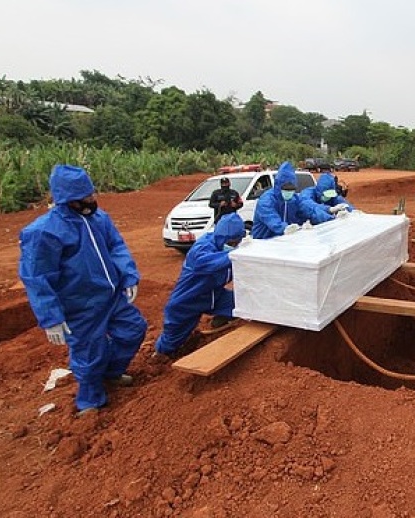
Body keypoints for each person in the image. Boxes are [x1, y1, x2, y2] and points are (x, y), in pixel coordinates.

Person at [18, 164, 147, 416]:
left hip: (111, 297)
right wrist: (51, 318)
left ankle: (111, 373)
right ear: (68, 199)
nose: (91, 199)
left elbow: (116, 247)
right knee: (89, 354)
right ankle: (89, 401)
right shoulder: (44, 232)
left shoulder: (99, 219)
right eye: (85, 196)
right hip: (80, 306)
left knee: (133, 330)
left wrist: (128, 276)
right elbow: (37, 277)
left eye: (91, 193)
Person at [154, 213, 246, 360]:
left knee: (244, 304)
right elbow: (207, 263)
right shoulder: (202, 248)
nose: (234, 245)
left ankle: (220, 321)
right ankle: (160, 356)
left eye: (237, 242)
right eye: (232, 242)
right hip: (188, 300)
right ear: (221, 237)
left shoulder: (229, 248)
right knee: (172, 339)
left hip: (214, 295)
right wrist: (234, 254)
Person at [250, 161, 313, 239]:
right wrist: (285, 228)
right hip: (263, 241)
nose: (289, 192)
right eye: (286, 189)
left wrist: (309, 221)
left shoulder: (294, 199)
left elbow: (306, 211)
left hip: (285, 240)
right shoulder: (266, 201)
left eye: (291, 190)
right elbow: (272, 219)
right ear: (278, 186)